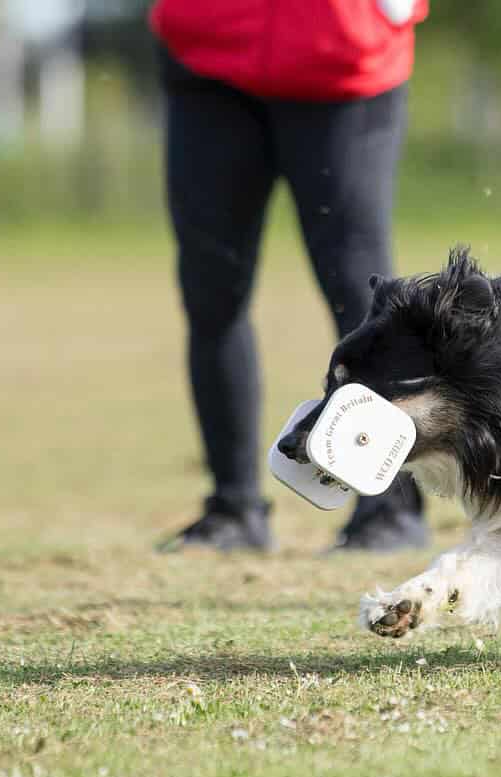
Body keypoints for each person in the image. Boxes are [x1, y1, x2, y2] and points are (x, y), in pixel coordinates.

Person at [152, 0, 432, 553]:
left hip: (344, 55)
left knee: (363, 294)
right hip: (208, 50)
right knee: (211, 291)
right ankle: (233, 508)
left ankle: (390, 507)